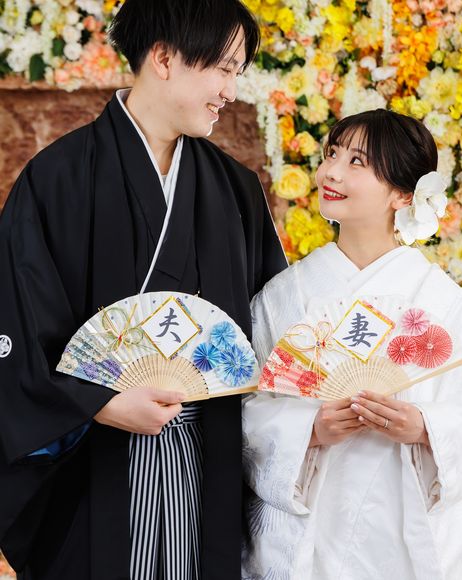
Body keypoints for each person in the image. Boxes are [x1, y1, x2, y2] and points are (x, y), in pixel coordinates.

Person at [0, 1, 287, 579]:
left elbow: (265, 336)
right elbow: (17, 331)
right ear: (163, 57)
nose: (231, 90)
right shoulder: (57, 179)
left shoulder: (236, 190)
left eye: (237, 72)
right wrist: (99, 403)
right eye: (223, 68)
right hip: (91, 464)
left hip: (207, 462)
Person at [242, 109, 462, 580]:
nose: (331, 172)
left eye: (356, 162)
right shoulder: (284, 295)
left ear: (404, 195)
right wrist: (308, 430)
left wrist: (426, 426)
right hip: (312, 525)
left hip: (402, 523)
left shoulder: (442, 300)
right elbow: (246, 402)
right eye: (332, 154)